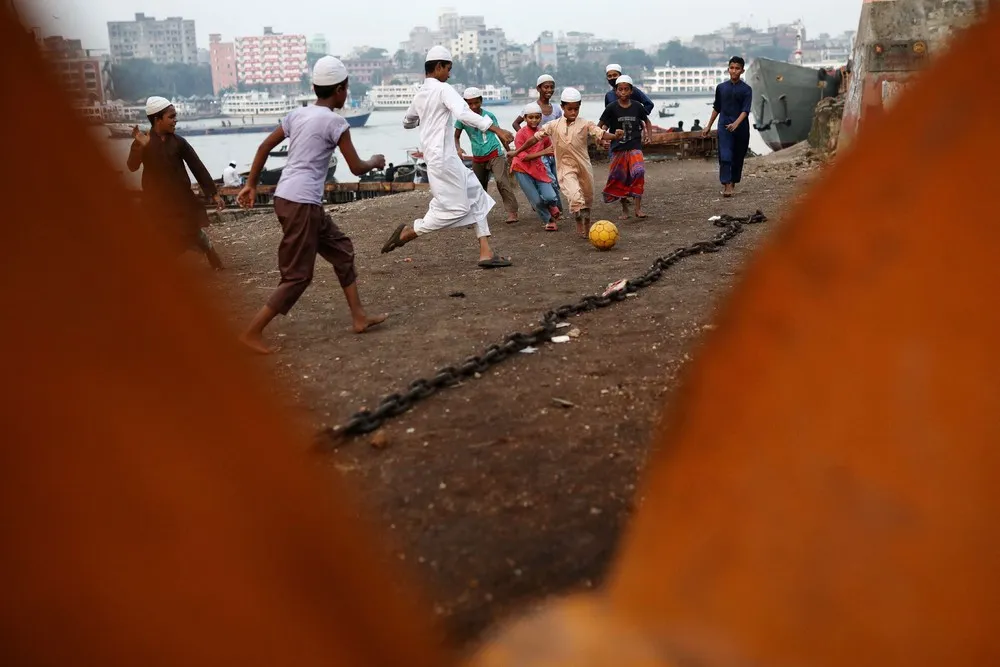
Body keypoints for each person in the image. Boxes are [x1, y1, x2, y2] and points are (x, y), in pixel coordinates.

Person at [235, 56, 388, 354]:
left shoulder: (297, 114)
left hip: (290, 198)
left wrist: (251, 183)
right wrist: (375, 161)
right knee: (298, 276)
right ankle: (251, 332)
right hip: (301, 203)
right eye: (346, 88)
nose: (346, 93)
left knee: (341, 250)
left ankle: (359, 317)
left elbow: (264, 146)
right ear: (340, 89)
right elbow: (356, 167)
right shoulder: (336, 123)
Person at [380, 46, 516, 269]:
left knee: (477, 195)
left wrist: (424, 118)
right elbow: (463, 113)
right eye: (448, 69)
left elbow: (407, 121)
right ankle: (411, 231)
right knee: (457, 209)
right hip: (443, 159)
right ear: (438, 67)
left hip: (442, 157)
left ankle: (486, 252)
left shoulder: (421, 94)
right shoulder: (443, 89)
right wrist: (496, 129)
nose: (449, 74)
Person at [508, 87, 623, 238]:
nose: (573, 112)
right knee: (575, 197)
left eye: (576, 109)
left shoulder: (585, 124)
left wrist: (615, 136)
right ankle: (578, 221)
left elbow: (600, 133)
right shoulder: (553, 125)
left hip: (583, 166)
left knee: (587, 198)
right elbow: (534, 139)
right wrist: (516, 152)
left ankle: (586, 222)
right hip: (565, 167)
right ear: (562, 107)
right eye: (570, 109)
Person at [126, 96, 225, 271]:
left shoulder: (179, 142)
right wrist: (140, 147)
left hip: (181, 199)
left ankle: (210, 251)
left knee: (193, 232)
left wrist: (214, 194)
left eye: (175, 116)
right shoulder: (143, 141)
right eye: (171, 117)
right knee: (161, 235)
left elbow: (197, 167)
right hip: (155, 201)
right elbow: (132, 166)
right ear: (157, 119)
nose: (175, 120)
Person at [454, 86, 519, 223]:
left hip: (494, 153)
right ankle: (479, 213)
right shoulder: (462, 119)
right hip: (478, 156)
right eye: (470, 103)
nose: (473, 106)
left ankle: (512, 212)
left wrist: (508, 151)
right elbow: (456, 136)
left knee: (501, 181)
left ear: (481, 101)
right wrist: (458, 149)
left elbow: (500, 133)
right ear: (465, 103)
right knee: (479, 186)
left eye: (476, 103)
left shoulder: (489, 116)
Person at [599, 75, 653, 220]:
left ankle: (638, 208)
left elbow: (647, 121)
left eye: (626, 89)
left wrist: (649, 136)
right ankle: (624, 209)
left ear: (631, 91)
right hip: (618, 148)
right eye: (620, 89)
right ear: (616, 91)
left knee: (639, 172)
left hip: (635, 146)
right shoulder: (611, 108)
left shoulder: (637, 106)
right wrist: (602, 139)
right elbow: (601, 125)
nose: (623, 92)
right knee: (620, 178)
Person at [512, 74, 563, 211]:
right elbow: (516, 123)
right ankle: (554, 208)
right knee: (549, 179)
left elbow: (561, 127)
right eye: (546, 87)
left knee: (557, 180)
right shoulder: (532, 108)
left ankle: (552, 205)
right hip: (539, 153)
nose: (549, 90)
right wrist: (528, 140)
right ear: (538, 88)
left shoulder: (556, 109)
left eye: (551, 87)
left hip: (553, 150)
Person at [704, 56, 752, 198]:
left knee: (738, 157)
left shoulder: (747, 90)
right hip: (724, 126)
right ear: (728, 69)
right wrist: (708, 126)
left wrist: (736, 124)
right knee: (725, 155)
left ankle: (733, 181)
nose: (734, 71)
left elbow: (745, 110)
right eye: (732, 68)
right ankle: (726, 185)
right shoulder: (721, 88)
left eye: (737, 68)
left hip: (741, 128)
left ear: (742, 71)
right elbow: (717, 107)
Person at [510, 102, 561, 231]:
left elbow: (550, 148)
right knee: (536, 200)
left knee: (550, 196)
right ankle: (549, 220)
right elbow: (523, 157)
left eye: (537, 117)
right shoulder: (520, 134)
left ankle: (551, 205)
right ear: (525, 118)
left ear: (541, 118)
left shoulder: (542, 133)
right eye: (530, 117)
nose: (534, 120)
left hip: (538, 167)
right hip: (522, 169)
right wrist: (544, 152)